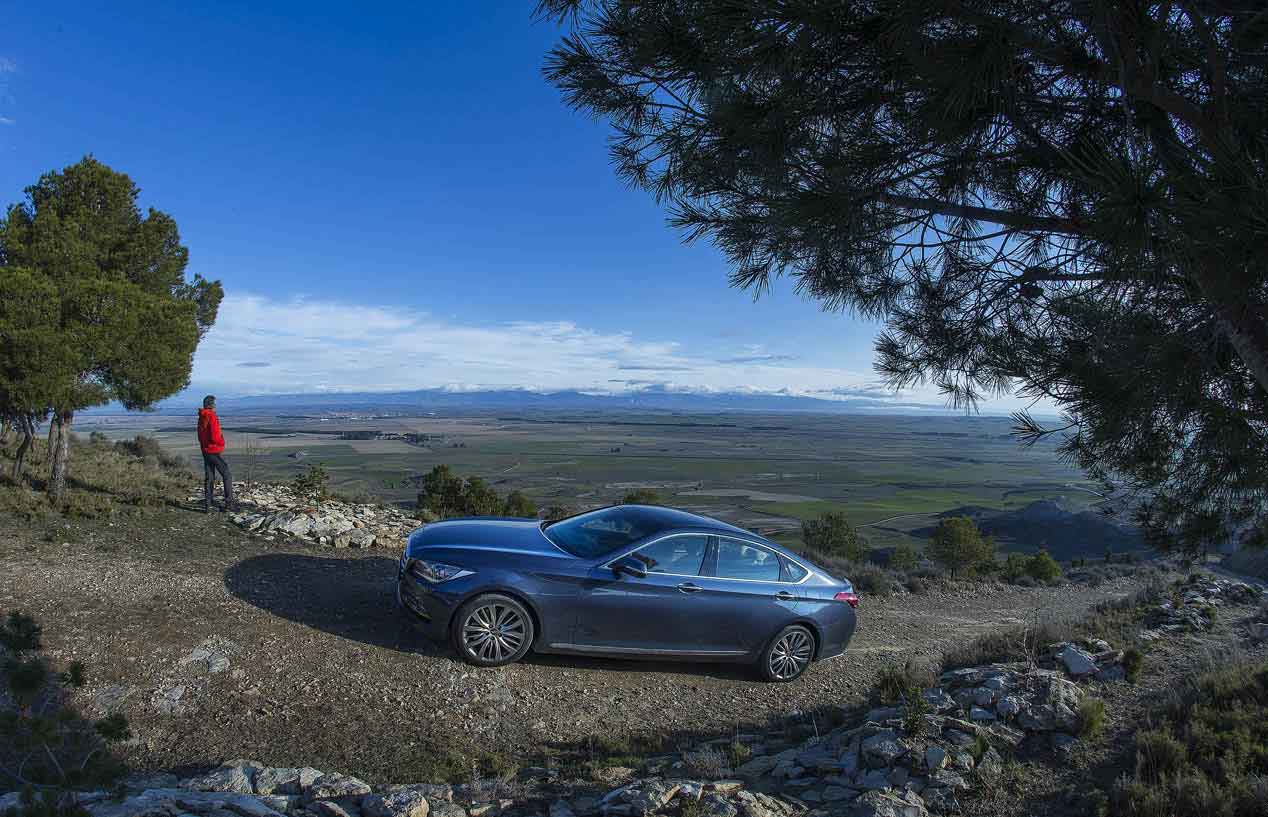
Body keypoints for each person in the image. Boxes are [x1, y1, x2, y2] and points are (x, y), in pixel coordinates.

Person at [197, 395, 235, 512]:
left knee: (210, 477)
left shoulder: (202, 416)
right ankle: (229, 504)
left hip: (205, 450)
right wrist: (221, 441)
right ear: (212, 405)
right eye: (214, 403)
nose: (215, 405)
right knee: (227, 474)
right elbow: (215, 436)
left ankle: (208, 505)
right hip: (213, 450)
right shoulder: (211, 416)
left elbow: (200, 434)